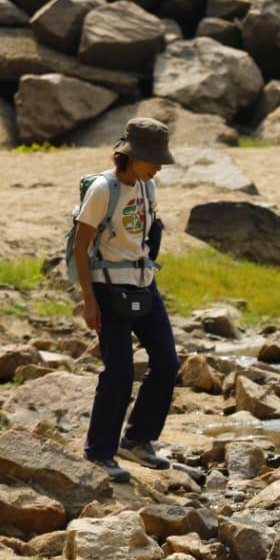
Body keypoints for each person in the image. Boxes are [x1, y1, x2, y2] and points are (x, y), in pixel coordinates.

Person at [71, 117, 179, 483]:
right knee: (118, 372)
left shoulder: (148, 187)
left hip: (143, 283)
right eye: (153, 159)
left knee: (166, 360)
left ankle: (137, 439)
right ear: (130, 156)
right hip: (107, 288)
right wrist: (88, 300)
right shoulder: (103, 189)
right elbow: (80, 246)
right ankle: (100, 451)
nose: (159, 166)